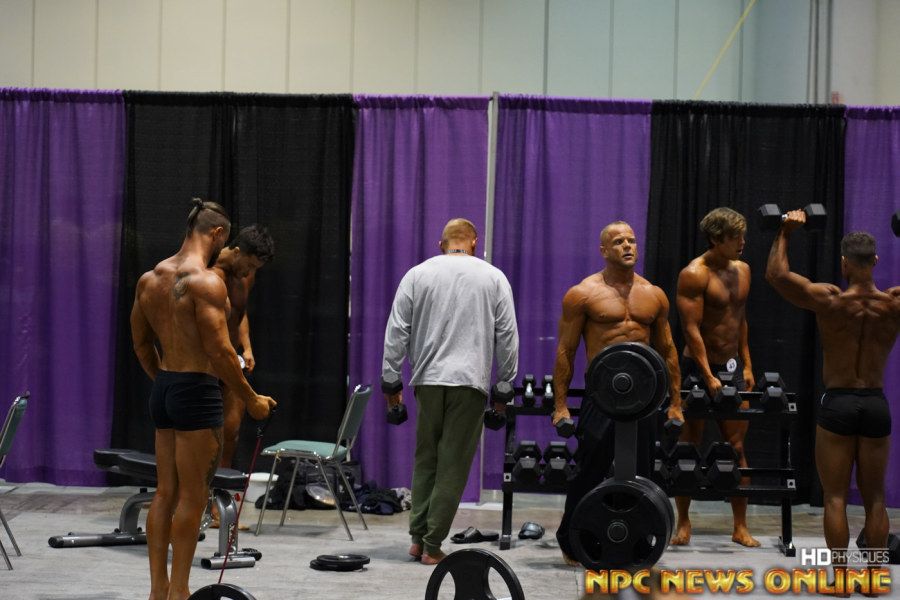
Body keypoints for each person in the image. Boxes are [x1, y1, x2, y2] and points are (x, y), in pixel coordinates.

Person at [130, 199, 276, 600]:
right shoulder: (205, 282)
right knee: (193, 497)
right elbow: (221, 352)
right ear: (217, 234)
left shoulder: (150, 278)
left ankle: (158, 591)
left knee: (164, 493)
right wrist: (251, 399)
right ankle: (179, 592)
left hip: (165, 386)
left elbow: (141, 345)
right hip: (196, 389)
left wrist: (166, 382)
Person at [766, 213, 899, 584]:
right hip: (875, 404)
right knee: (875, 498)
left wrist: (785, 230)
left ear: (844, 264)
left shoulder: (830, 300)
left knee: (835, 497)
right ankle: (874, 579)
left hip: (838, 403)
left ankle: (840, 580)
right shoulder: (893, 303)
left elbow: (776, 276)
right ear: (875, 261)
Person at [382, 218, 519, 566]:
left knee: (426, 458)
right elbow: (507, 336)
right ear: (474, 241)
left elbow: (396, 331)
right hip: (468, 382)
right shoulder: (493, 277)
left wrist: (391, 385)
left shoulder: (417, 275)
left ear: (441, 244)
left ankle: (417, 539)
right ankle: (432, 545)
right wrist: (503, 389)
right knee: (453, 464)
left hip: (427, 380)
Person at [553, 221, 682, 565]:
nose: (627, 246)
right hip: (602, 396)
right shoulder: (583, 293)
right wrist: (560, 405)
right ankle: (572, 541)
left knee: (641, 474)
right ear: (603, 250)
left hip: (645, 398)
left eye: (631, 240)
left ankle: (636, 541)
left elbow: (668, 350)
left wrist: (676, 403)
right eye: (619, 241)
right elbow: (566, 350)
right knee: (589, 469)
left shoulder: (653, 294)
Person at [673, 207, 758, 547]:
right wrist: (708, 375)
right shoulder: (694, 274)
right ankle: (683, 523)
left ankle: (740, 527)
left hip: (732, 367)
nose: (742, 242)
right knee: (688, 446)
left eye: (743, 235)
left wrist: (747, 365)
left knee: (736, 447)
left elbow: (740, 320)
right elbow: (691, 328)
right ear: (716, 238)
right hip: (697, 368)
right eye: (735, 237)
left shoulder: (743, 270)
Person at [211, 224, 276, 469]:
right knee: (203, 436)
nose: (250, 272)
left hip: (232, 359)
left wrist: (247, 348)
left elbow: (240, 311)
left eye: (255, 268)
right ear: (237, 251)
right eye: (249, 265)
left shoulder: (246, 276)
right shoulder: (207, 271)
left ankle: (220, 487)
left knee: (231, 432)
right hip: (206, 363)